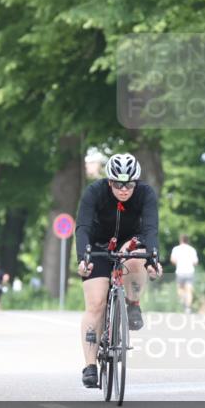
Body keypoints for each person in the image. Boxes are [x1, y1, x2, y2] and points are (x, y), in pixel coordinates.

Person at [75, 153, 162, 388]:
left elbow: (151, 228)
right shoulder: (95, 192)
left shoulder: (145, 194)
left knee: (136, 258)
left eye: (130, 184)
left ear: (137, 182)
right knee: (95, 303)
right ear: (109, 181)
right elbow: (82, 227)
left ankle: (133, 304)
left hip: (130, 243)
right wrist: (83, 257)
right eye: (118, 184)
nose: (124, 189)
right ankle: (91, 365)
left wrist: (154, 259)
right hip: (99, 246)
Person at [170, 233, 199, 314]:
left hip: (180, 271)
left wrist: (178, 263)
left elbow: (172, 260)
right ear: (188, 240)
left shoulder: (176, 249)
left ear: (181, 240)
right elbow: (196, 262)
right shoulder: (192, 249)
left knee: (180, 289)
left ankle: (183, 301)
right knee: (189, 290)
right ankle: (188, 308)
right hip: (190, 271)